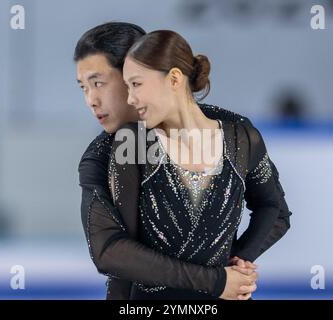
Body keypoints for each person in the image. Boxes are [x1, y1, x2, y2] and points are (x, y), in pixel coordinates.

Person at [75, 23, 292, 300]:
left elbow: (276, 212)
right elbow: (111, 252)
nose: (91, 100)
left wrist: (236, 266)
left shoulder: (237, 133)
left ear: (172, 78)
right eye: (84, 87)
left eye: (99, 83)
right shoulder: (116, 149)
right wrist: (214, 280)